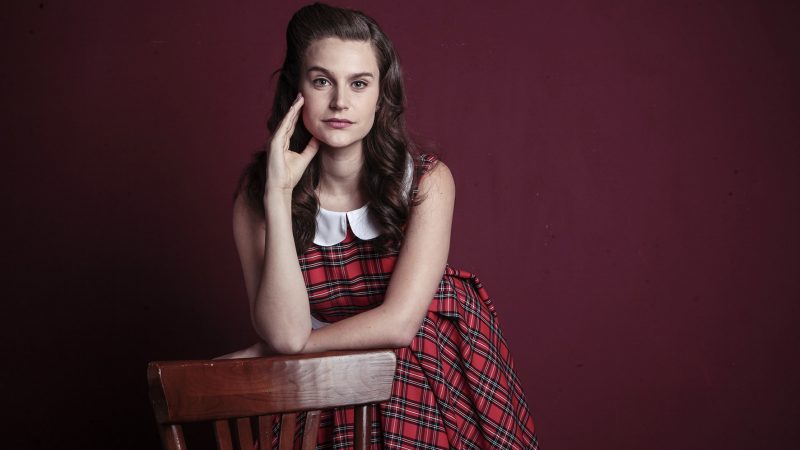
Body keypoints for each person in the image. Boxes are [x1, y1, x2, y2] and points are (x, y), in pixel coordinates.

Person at [219, 3, 539, 449]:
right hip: (328, 379)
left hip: (430, 368)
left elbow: (398, 325)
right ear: (297, 89)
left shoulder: (427, 180)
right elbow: (286, 332)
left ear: (381, 95)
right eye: (322, 81)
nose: (340, 102)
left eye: (359, 83)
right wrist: (278, 194)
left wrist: (283, 351)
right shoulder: (256, 198)